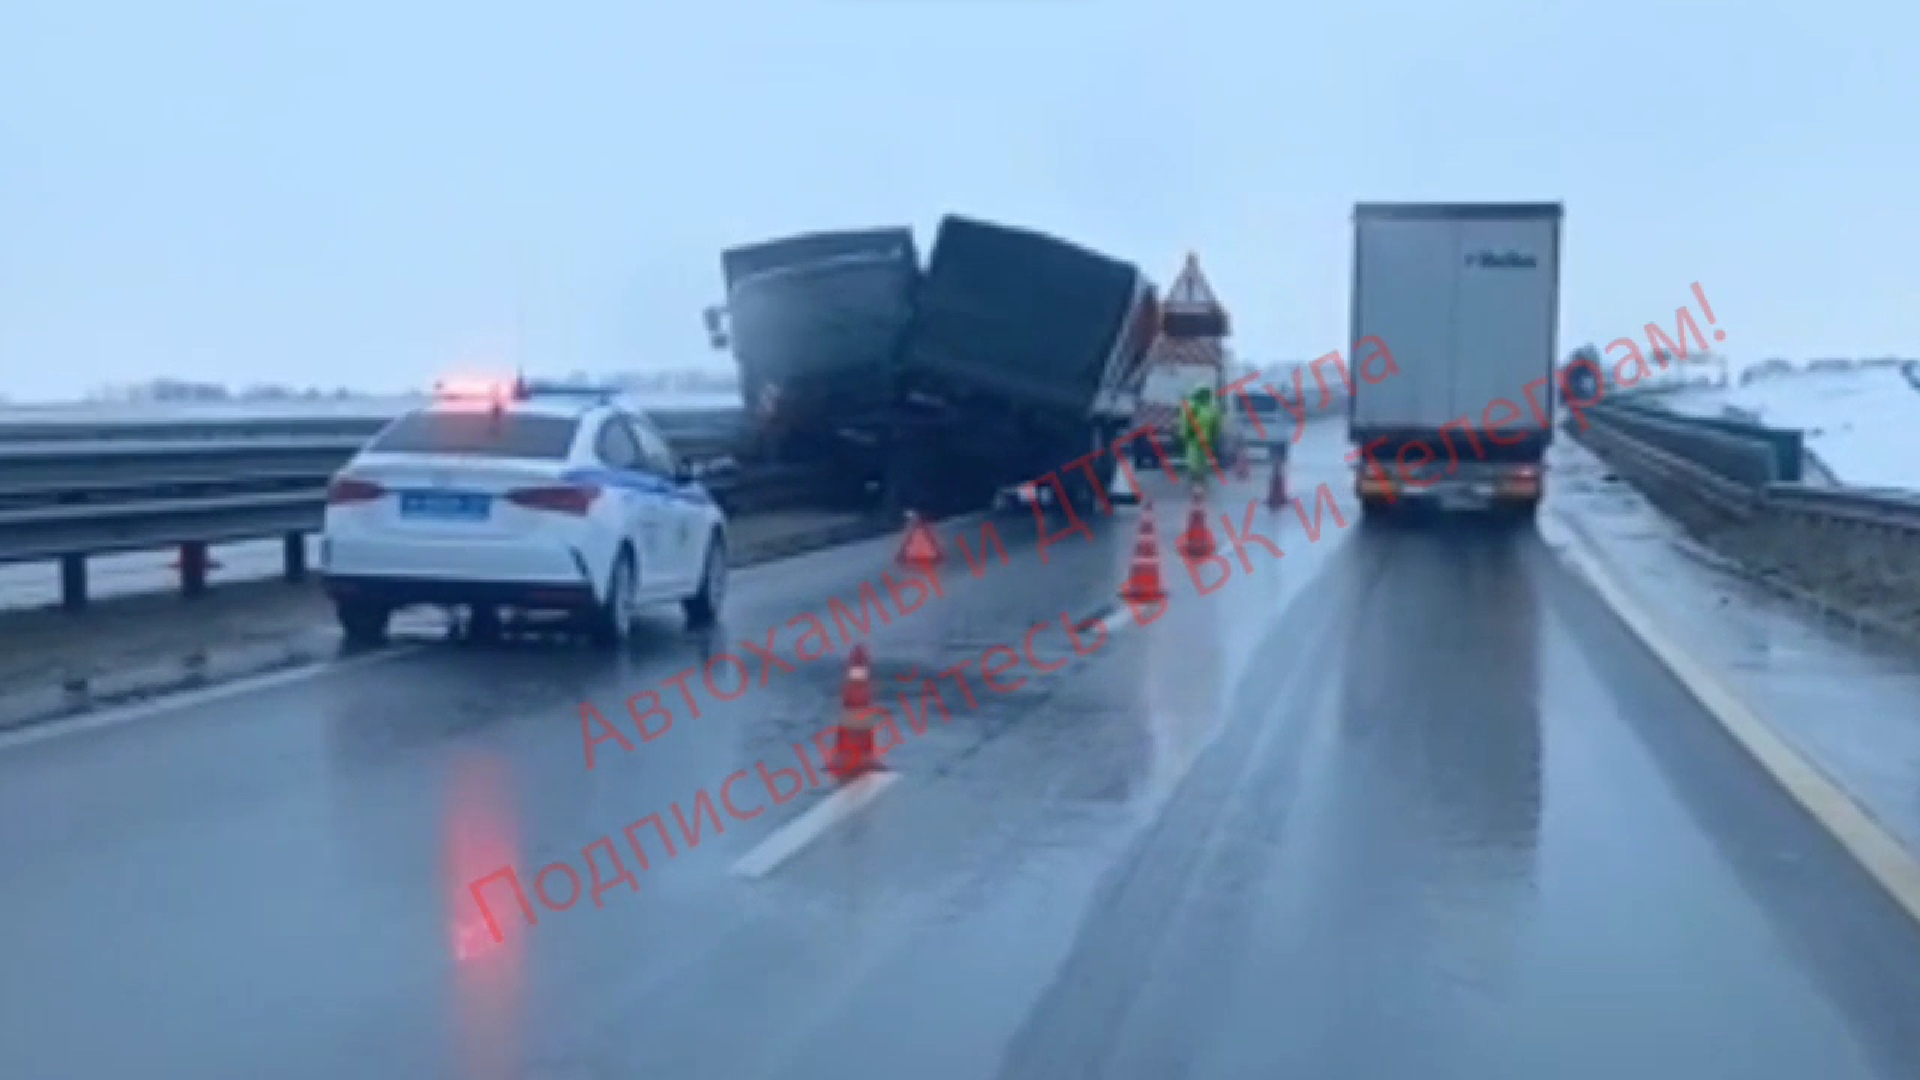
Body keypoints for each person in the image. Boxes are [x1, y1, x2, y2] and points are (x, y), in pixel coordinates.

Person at [1179, 385, 1224, 482]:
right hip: (1200, 439)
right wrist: (1214, 436)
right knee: (1198, 461)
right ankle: (1198, 479)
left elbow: (1186, 421)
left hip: (1196, 439)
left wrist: (1185, 434)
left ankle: (1198, 480)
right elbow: (1216, 424)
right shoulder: (1209, 407)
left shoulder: (1194, 405)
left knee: (1197, 461)